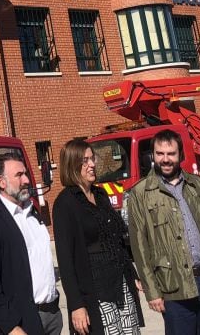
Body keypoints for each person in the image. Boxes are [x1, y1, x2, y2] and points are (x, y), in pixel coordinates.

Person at [126, 130, 200, 335]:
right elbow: (140, 246)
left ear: (180, 155)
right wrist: (152, 292)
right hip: (173, 287)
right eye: (160, 154)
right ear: (153, 156)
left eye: (171, 154)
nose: (165, 159)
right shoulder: (140, 193)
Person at [52, 138, 143, 335]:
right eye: (85, 160)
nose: (92, 164)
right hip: (96, 291)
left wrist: (132, 274)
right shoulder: (65, 204)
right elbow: (66, 261)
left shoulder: (100, 196)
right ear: (72, 164)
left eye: (92, 159)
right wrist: (76, 305)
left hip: (121, 284)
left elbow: (116, 241)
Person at [0, 153, 63, 335]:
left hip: (52, 315)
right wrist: (11, 326)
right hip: (22, 322)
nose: (27, 180)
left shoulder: (33, 212)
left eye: (25, 174)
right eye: (19, 175)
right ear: (1, 182)